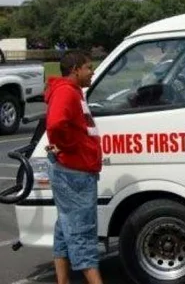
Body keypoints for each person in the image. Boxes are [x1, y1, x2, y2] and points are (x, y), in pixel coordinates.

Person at [44, 51, 103, 284]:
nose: (93, 72)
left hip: (73, 170)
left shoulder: (72, 92)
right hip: (74, 172)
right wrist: (69, 147)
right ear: (75, 69)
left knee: (65, 229)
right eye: (89, 67)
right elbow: (56, 124)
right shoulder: (66, 92)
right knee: (82, 234)